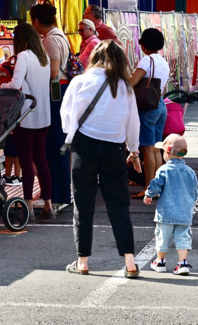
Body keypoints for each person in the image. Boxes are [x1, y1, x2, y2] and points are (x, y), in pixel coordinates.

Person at [61, 40, 142, 277]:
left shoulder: (80, 81)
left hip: (84, 147)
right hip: (114, 149)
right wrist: (134, 151)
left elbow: (67, 116)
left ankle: (83, 261)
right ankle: (130, 262)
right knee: (119, 206)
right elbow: (132, 122)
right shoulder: (125, 86)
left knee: (83, 204)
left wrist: (73, 135)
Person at [1, 23, 54, 216]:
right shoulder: (44, 57)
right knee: (41, 158)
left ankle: (29, 203)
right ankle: (48, 202)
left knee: (26, 160)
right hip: (43, 115)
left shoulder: (23, 57)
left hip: (26, 116)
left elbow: (15, 84)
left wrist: (1, 86)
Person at [31, 1, 72, 209]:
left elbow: (54, 72)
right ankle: (59, 192)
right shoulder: (60, 35)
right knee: (57, 144)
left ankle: (58, 193)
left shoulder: (50, 40)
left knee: (54, 144)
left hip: (56, 93)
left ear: (37, 21)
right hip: (61, 93)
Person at [144, 134, 198, 276]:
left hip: (166, 212)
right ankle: (182, 263)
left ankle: (160, 261)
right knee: (183, 237)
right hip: (184, 213)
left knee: (162, 236)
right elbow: (195, 193)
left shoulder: (163, 170)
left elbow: (156, 186)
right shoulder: (190, 172)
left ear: (167, 152)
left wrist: (148, 194)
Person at [128, 28, 170, 196]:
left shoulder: (146, 61)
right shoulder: (163, 62)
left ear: (144, 45)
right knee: (156, 148)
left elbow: (132, 82)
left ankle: (148, 188)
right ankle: (157, 186)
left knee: (147, 149)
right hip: (160, 105)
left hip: (147, 108)